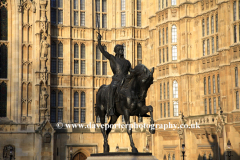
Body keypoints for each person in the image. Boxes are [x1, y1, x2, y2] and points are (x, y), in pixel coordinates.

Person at [97, 33, 133, 116]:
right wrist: (99, 41)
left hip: (125, 81)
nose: (122, 51)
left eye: (122, 49)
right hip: (116, 81)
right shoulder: (113, 59)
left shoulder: (127, 62)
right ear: (117, 51)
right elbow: (103, 51)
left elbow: (132, 71)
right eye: (120, 49)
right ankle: (111, 108)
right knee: (112, 88)